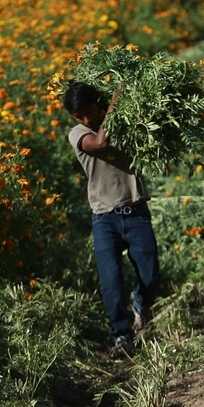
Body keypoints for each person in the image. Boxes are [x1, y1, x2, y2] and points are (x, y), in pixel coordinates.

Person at [63, 80, 160, 358]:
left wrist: (122, 105)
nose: (86, 118)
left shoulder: (125, 122)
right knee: (111, 281)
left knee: (151, 275)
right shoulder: (78, 133)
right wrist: (115, 102)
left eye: (89, 111)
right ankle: (121, 336)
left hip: (136, 209)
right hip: (104, 217)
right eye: (79, 115)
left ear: (98, 103)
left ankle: (140, 303)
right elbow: (101, 142)